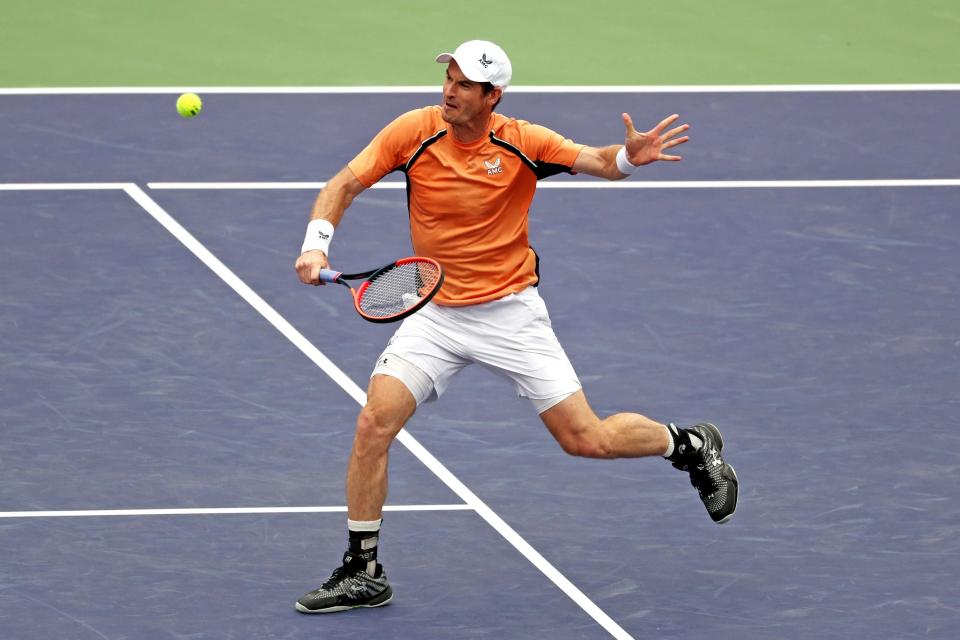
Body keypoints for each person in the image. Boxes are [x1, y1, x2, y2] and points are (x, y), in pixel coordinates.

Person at [293, 40, 739, 614]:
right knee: (373, 423)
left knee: (586, 439)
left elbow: (600, 163)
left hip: (509, 313)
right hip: (436, 309)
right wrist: (315, 244)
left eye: (463, 85)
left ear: (492, 96)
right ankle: (363, 570)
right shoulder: (413, 131)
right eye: (448, 78)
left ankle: (688, 443)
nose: (449, 91)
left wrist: (628, 157)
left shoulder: (524, 142)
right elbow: (343, 185)